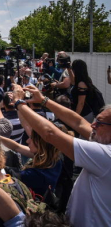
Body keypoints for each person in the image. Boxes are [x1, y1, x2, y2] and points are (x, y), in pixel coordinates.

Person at [11, 84, 111, 227]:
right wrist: (44, 100)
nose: (92, 126)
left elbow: (49, 134)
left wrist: (19, 103)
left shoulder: (107, 156)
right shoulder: (103, 141)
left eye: (99, 123)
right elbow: (78, 122)